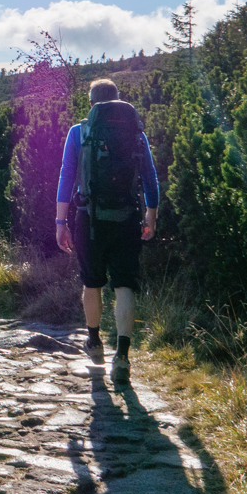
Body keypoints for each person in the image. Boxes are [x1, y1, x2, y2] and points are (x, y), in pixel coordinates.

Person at [54, 77, 158, 382]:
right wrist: (151, 215)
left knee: (92, 283)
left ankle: (95, 342)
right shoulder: (137, 134)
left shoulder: (78, 132)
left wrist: (61, 222)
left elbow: (66, 177)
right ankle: (123, 356)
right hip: (127, 217)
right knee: (125, 284)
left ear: (91, 103)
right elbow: (150, 177)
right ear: (117, 100)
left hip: (90, 219)